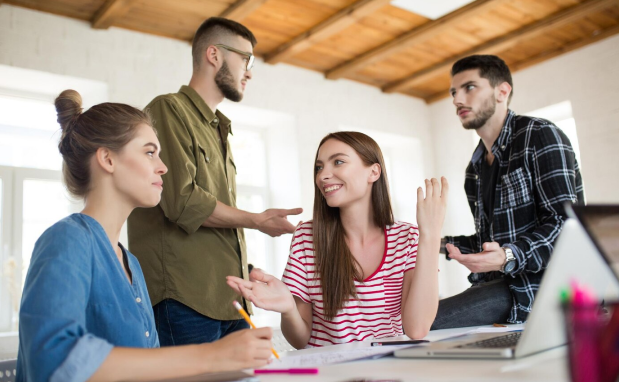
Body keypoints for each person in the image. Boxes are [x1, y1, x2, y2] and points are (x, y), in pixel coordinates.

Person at [15, 90, 273, 382]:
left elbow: (145, 374)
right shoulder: (67, 241)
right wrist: (211, 356)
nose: (163, 167)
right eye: (150, 152)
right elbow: (52, 363)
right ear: (108, 159)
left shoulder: (132, 265)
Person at [127, 17, 302, 347]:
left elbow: (212, 219)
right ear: (214, 55)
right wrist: (256, 220)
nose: (249, 72)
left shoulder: (219, 128)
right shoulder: (168, 110)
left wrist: (244, 266)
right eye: (245, 59)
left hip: (231, 300)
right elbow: (183, 202)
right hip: (184, 301)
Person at [227, 131, 448, 348]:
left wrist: (429, 235)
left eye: (338, 162)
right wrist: (289, 310)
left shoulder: (407, 238)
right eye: (319, 167)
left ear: (373, 172)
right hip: (328, 377)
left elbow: (417, 329)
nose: (322, 176)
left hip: (388, 375)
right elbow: (299, 340)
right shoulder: (307, 238)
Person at [433, 55, 585, 329]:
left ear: (502, 91)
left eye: (469, 87)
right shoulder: (474, 170)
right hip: (499, 288)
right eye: (454, 92)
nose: (457, 100)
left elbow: (567, 227)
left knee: (420, 323)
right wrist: (431, 241)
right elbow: (488, 243)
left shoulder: (540, 135)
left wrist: (508, 256)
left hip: (545, 290)